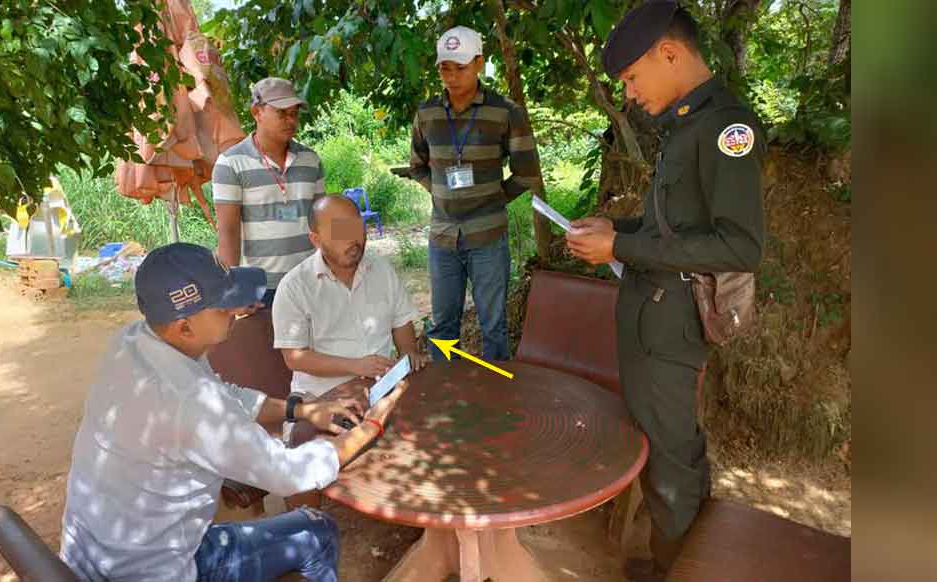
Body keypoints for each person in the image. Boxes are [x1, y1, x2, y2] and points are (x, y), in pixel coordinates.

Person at [58, 242, 408, 582]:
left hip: (93, 556)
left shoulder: (134, 342)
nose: (238, 309)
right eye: (224, 306)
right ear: (184, 326)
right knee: (318, 531)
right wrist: (371, 425)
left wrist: (302, 410)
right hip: (156, 570)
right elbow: (289, 474)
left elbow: (227, 395)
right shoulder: (191, 403)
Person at [566, 3, 765, 580]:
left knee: (673, 461)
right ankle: (673, 559)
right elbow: (671, 230)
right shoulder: (684, 123)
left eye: (632, 78)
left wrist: (620, 248)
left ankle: (678, 568)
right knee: (662, 447)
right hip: (649, 316)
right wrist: (615, 230)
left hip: (672, 325)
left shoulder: (727, 129)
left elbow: (739, 247)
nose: (629, 94)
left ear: (670, 54)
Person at [408, 26, 543, 363]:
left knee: (493, 326)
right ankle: (447, 385)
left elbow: (527, 173)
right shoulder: (427, 113)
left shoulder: (505, 112)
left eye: (461, 67)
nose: (452, 77)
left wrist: (492, 199)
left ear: (479, 63)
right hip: (443, 238)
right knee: (443, 326)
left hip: (488, 237)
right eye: (445, 68)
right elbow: (417, 166)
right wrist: (440, 193)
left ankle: (495, 388)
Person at [272, 195, 427, 399]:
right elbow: (294, 357)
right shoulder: (294, 287)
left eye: (356, 228)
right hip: (321, 396)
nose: (353, 240)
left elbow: (401, 321)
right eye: (340, 232)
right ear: (316, 240)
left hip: (383, 385)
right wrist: (355, 366)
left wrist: (408, 352)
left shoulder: (382, 269)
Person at [212, 77, 324, 307]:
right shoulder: (231, 163)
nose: (291, 120)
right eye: (282, 113)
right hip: (261, 288)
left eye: (294, 113)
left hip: (311, 279)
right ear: (257, 112)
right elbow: (228, 232)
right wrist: (233, 290)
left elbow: (323, 220)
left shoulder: (310, 160)